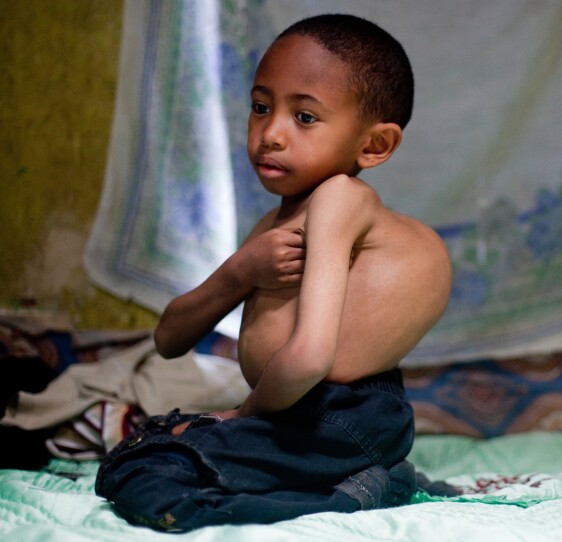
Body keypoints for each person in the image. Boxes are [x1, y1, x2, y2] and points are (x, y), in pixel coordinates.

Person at [96, 13, 452, 531]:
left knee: (140, 468)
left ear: (373, 145)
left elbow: (309, 358)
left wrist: (243, 417)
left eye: (304, 117)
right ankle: (352, 481)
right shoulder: (277, 222)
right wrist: (240, 271)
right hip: (319, 418)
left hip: (339, 417)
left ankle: (347, 501)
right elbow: (169, 338)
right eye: (261, 108)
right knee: (148, 444)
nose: (270, 133)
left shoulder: (339, 200)